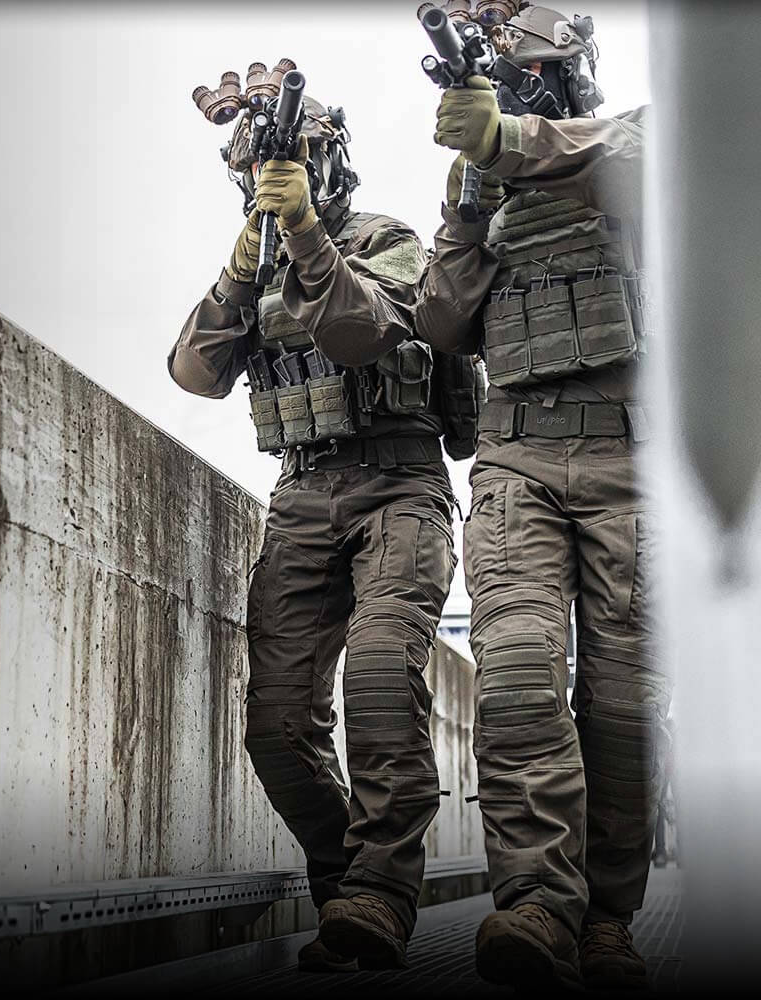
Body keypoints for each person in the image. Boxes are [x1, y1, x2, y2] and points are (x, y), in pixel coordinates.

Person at [335, 2, 662, 989]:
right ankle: (536, 907)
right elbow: (439, 319)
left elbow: (636, 167)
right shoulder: (479, 176)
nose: (514, 83)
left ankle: (608, 916)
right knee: (518, 676)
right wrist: (469, 200)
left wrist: (508, 139)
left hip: (626, 463)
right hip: (517, 461)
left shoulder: (629, 134)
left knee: (621, 707)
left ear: (570, 66)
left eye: (529, 65)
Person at [169, 62, 482, 972]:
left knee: (382, 677)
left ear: (329, 163)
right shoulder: (255, 259)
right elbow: (195, 370)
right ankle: (348, 884)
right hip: (302, 496)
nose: (287, 177)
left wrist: (306, 230)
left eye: (303, 162)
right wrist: (241, 263)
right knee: (275, 724)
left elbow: (362, 331)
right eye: (276, 171)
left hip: (401, 486)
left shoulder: (389, 239)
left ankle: (384, 897)